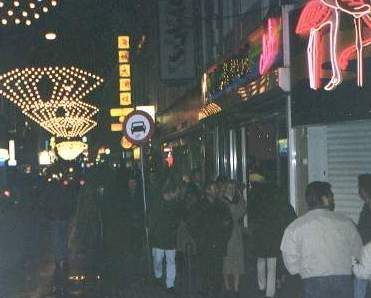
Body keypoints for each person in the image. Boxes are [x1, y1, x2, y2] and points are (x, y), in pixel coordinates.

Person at [281, 181, 362, 298]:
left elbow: (289, 260)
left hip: (312, 281)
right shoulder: (346, 222)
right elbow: (358, 252)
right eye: (331, 196)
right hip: (343, 280)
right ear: (324, 199)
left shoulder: (296, 226)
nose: (333, 200)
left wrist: (302, 271)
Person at [189, 181, 233, 298]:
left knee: (217, 270)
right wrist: (199, 238)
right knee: (205, 269)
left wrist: (224, 239)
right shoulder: (199, 206)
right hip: (204, 244)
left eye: (217, 189)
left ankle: (215, 291)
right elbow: (192, 224)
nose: (217, 191)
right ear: (207, 190)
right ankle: (205, 290)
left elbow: (229, 224)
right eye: (214, 189)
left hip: (218, 243)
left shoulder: (222, 206)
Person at [248, 171, 288, 298]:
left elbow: (252, 214)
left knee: (260, 260)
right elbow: (281, 215)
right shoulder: (276, 196)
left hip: (260, 232)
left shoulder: (255, 195)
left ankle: (261, 286)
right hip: (272, 233)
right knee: (272, 264)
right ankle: (270, 293)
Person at [150, 177, 181, 295]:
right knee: (158, 259)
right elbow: (153, 218)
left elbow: (177, 218)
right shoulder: (159, 201)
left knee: (171, 260)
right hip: (159, 236)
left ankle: (170, 284)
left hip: (170, 236)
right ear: (171, 192)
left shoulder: (176, 204)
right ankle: (158, 275)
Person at [222, 180, 246, 297]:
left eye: (233, 187)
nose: (231, 189)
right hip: (226, 234)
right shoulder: (222, 200)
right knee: (226, 261)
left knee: (237, 260)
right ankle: (227, 286)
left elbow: (242, 210)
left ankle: (236, 287)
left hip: (236, 234)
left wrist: (240, 196)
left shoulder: (238, 200)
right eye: (229, 187)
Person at [355, 174, 371, 298]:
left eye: (359, 188)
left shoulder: (368, 208)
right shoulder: (366, 206)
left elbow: (364, 231)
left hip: (367, 254)